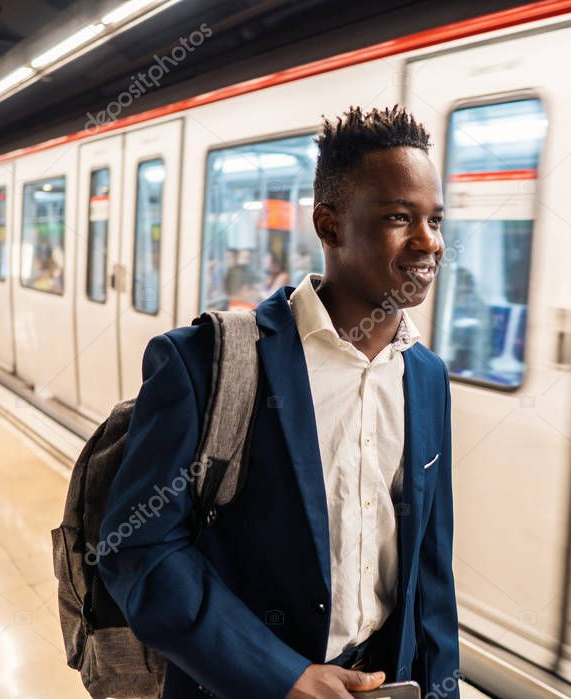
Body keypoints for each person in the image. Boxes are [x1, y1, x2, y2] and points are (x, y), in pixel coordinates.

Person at [98, 105, 458, 699]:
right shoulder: (208, 363)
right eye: (400, 217)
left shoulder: (425, 378)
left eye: (435, 220)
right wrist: (281, 676)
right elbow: (137, 547)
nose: (429, 243)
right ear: (330, 225)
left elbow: (431, 576)